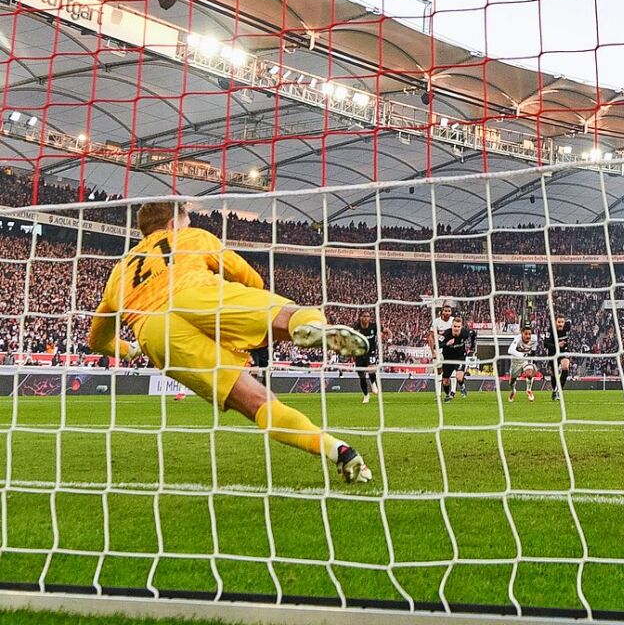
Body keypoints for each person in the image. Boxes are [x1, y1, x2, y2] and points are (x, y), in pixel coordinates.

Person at [87, 202, 372, 483]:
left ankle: (339, 451)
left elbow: (96, 339)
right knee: (293, 314)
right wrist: (251, 306)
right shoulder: (192, 237)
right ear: (174, 225)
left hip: (154, 332)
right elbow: (249, 277)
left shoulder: (118, 274)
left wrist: (128, 350)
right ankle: (312, 328)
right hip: (197, 295)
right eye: (186, 222)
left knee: (257, 403)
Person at [439, 315, 477, 402]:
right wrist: (446, 344)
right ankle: (448, 395)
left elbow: (473, 334)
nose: (456, 328)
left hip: (460, 357)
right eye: (455, 326)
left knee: (459, 377)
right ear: (451, 326)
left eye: (458, 327)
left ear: (461, 327)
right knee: (445, 381)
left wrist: (472, 347)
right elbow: (436, 345)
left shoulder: (465, 332)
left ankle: (462, 385)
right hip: (448, 359)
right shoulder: (446, 334)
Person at [354, 309, 387, 404]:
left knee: (371, 368)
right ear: (360, 318)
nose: (366, 318)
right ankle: (366, 395)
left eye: (368, 316)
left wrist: (389, 338)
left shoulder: (374, 326)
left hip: (371, 351)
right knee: (361, 376)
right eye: (364, 316)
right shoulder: (356, 328)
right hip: (359, 353)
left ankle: (373, 383)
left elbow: (386, 331)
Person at [543, 314, 573, 401]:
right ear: (555, 322)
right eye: (559, 322)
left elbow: (570, 322)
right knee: (554, 374)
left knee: (565, 366)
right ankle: (554, 390)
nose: (560, 324)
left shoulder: (567, 327)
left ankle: (559, 391)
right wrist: (557, 345)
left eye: (562, 322)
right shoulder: (550, 330)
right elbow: (545, 344)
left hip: (563, 352)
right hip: (553, 353)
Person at [507, 324, 540, 402]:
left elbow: (534, 349)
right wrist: (522, 354)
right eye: (526, 334)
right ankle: (513, 390)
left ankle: (529, 390)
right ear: (521, 333)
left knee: (529, 374)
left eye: (529, 334)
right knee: (512, 381)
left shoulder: (534, 338)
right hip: (515, 362)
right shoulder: (517, 339)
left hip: (526, 360)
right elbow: (510, 350)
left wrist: (533, 360)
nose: (528, 336)